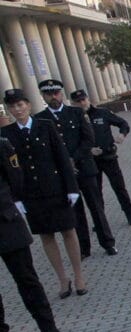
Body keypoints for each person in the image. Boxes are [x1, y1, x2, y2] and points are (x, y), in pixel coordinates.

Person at [1, 89, 85, 298]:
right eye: (13, 107)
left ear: (28, 105)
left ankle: (79, 275)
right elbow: (8, 170)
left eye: (20, 105)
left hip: (55, 188)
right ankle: (62, 279)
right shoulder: (6, 134)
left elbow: (62, 158)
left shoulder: (45, 126)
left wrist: (72, 188)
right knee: (47, 236)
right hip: (31, 194)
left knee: (68, 232)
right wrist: (16, 198)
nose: (17, 110)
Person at [0, 130, 66, 332]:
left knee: (27, 278)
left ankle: (48, 327)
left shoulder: (2, 145)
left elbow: (16, 180)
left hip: (6, 221)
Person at [36, 79, 115, 257]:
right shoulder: (40, 119)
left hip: (85, 168)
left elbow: (88, 139)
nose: (53, 97)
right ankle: (84, 249)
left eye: (56, 93)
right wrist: (65, 163)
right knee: (75, 212)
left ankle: (108, 243)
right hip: (63, 174)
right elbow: (44, 149)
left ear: (61, 94)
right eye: (49, 94)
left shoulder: (76, 113)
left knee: (96, 208)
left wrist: (73, 158)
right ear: (43, 96)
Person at [69, 91, 131, 226]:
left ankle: (130, 214)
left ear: (88, 99)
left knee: (119, 187)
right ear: (72, 103)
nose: (82, 103)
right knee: (95, 192)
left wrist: (122, 135)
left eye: (83, 100)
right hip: (90, 161)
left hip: (108, 157)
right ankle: (100, 221)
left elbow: (123, 123)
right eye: (78, 101)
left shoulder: (102, 113)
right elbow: (72, 142)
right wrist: (88, 151)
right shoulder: (73, 119)